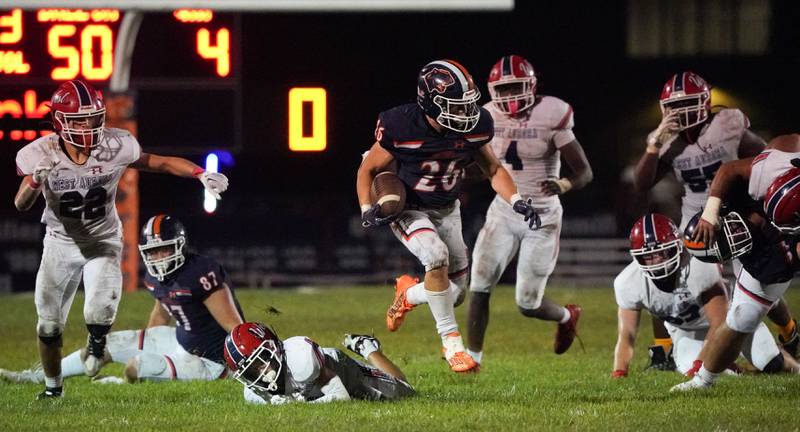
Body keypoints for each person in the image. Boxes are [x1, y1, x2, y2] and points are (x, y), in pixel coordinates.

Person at [14, 80, 229, 399]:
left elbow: (159, 162)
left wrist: (199, 174)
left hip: (102, 241)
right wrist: (34, 180)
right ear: (60, 121)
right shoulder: (39, 153)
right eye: (79, 120)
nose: (88, 126)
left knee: (99, 313)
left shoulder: (116, 145)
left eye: (93, 117)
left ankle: (96, 344)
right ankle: (52, 388)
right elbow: (21, 203)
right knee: (48, 327)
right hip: (60, 243)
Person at [356, 59, 540, 373]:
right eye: (455, 106)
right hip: (410, 206)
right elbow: (368, 168)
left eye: (467, 104)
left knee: (454, 294)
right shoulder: (402, 125)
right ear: (430, 102)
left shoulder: (476, 126)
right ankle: (452, 344)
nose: (466, 113)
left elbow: (492, 169)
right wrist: (366, 208)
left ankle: (409, 293)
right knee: (435, 256)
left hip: (447, 208)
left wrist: (517, 200)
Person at [632, 71, 796, 365]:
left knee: (753, 276)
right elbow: (641, 183)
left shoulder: (726, 124)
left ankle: (789, 331)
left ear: (705, 102)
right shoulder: (668, 142)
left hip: (737, 215)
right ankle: (676, 349)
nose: (680, 112)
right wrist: (654, 144)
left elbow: (762, 158)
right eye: (674, 106)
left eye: (688, 104)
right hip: (695, 219)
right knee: (676, 280)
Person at [0, 214, 244, 384]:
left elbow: (234, 326)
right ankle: (37, 377)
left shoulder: (201, 273)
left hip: (210, 361)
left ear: (180, 246)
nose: (158, 257)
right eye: (152, 251)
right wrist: (151, 342)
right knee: (102, 346)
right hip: (180, 340)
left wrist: (244, 369)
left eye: (165, 249)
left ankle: (120, 382)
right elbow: (161, 311)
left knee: (134, 367)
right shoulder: (153, 276)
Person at [466, 55, 593, 365]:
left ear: (531, 86)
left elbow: (584, 172)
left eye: (514, 88)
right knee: (479, 284)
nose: (509, 96)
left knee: (526, 303)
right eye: (503, 89)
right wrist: (452, 172)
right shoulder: (486, 116)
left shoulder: (551, 113)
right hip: (505, 211)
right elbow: (482, 169)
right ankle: (472, 360)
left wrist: (564, 184)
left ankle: (566, 316)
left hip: (543, 216)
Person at [672, 134, 800, 390]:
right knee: (741, 319)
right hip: (760, 204)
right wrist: (710, 212)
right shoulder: (774, 163)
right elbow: (729, 170)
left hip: (782, 253)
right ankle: (704, 381)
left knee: (745, 314)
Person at [612, 213, 798, 378]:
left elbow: (719, 321)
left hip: (731, 324)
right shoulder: (628, 282)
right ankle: (737, 370)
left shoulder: (697, 264)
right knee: (710, 374)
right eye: (650, 256)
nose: (657, 261)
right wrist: (619, 372)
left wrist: (700, 365)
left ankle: (795, 366)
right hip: (687, 334)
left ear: (677, 246)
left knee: (771, 362)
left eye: (663, 252)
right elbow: (626, 336)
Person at [224, 322, 415, 404]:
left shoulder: (302, 359)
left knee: (405, 392)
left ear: (273, 349)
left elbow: (340, 396)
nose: (261, 373)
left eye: (260, 362)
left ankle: (367, 347)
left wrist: (297, 406)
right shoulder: (253, 393)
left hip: (343, 373)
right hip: (313, 391)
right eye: (250, 372)